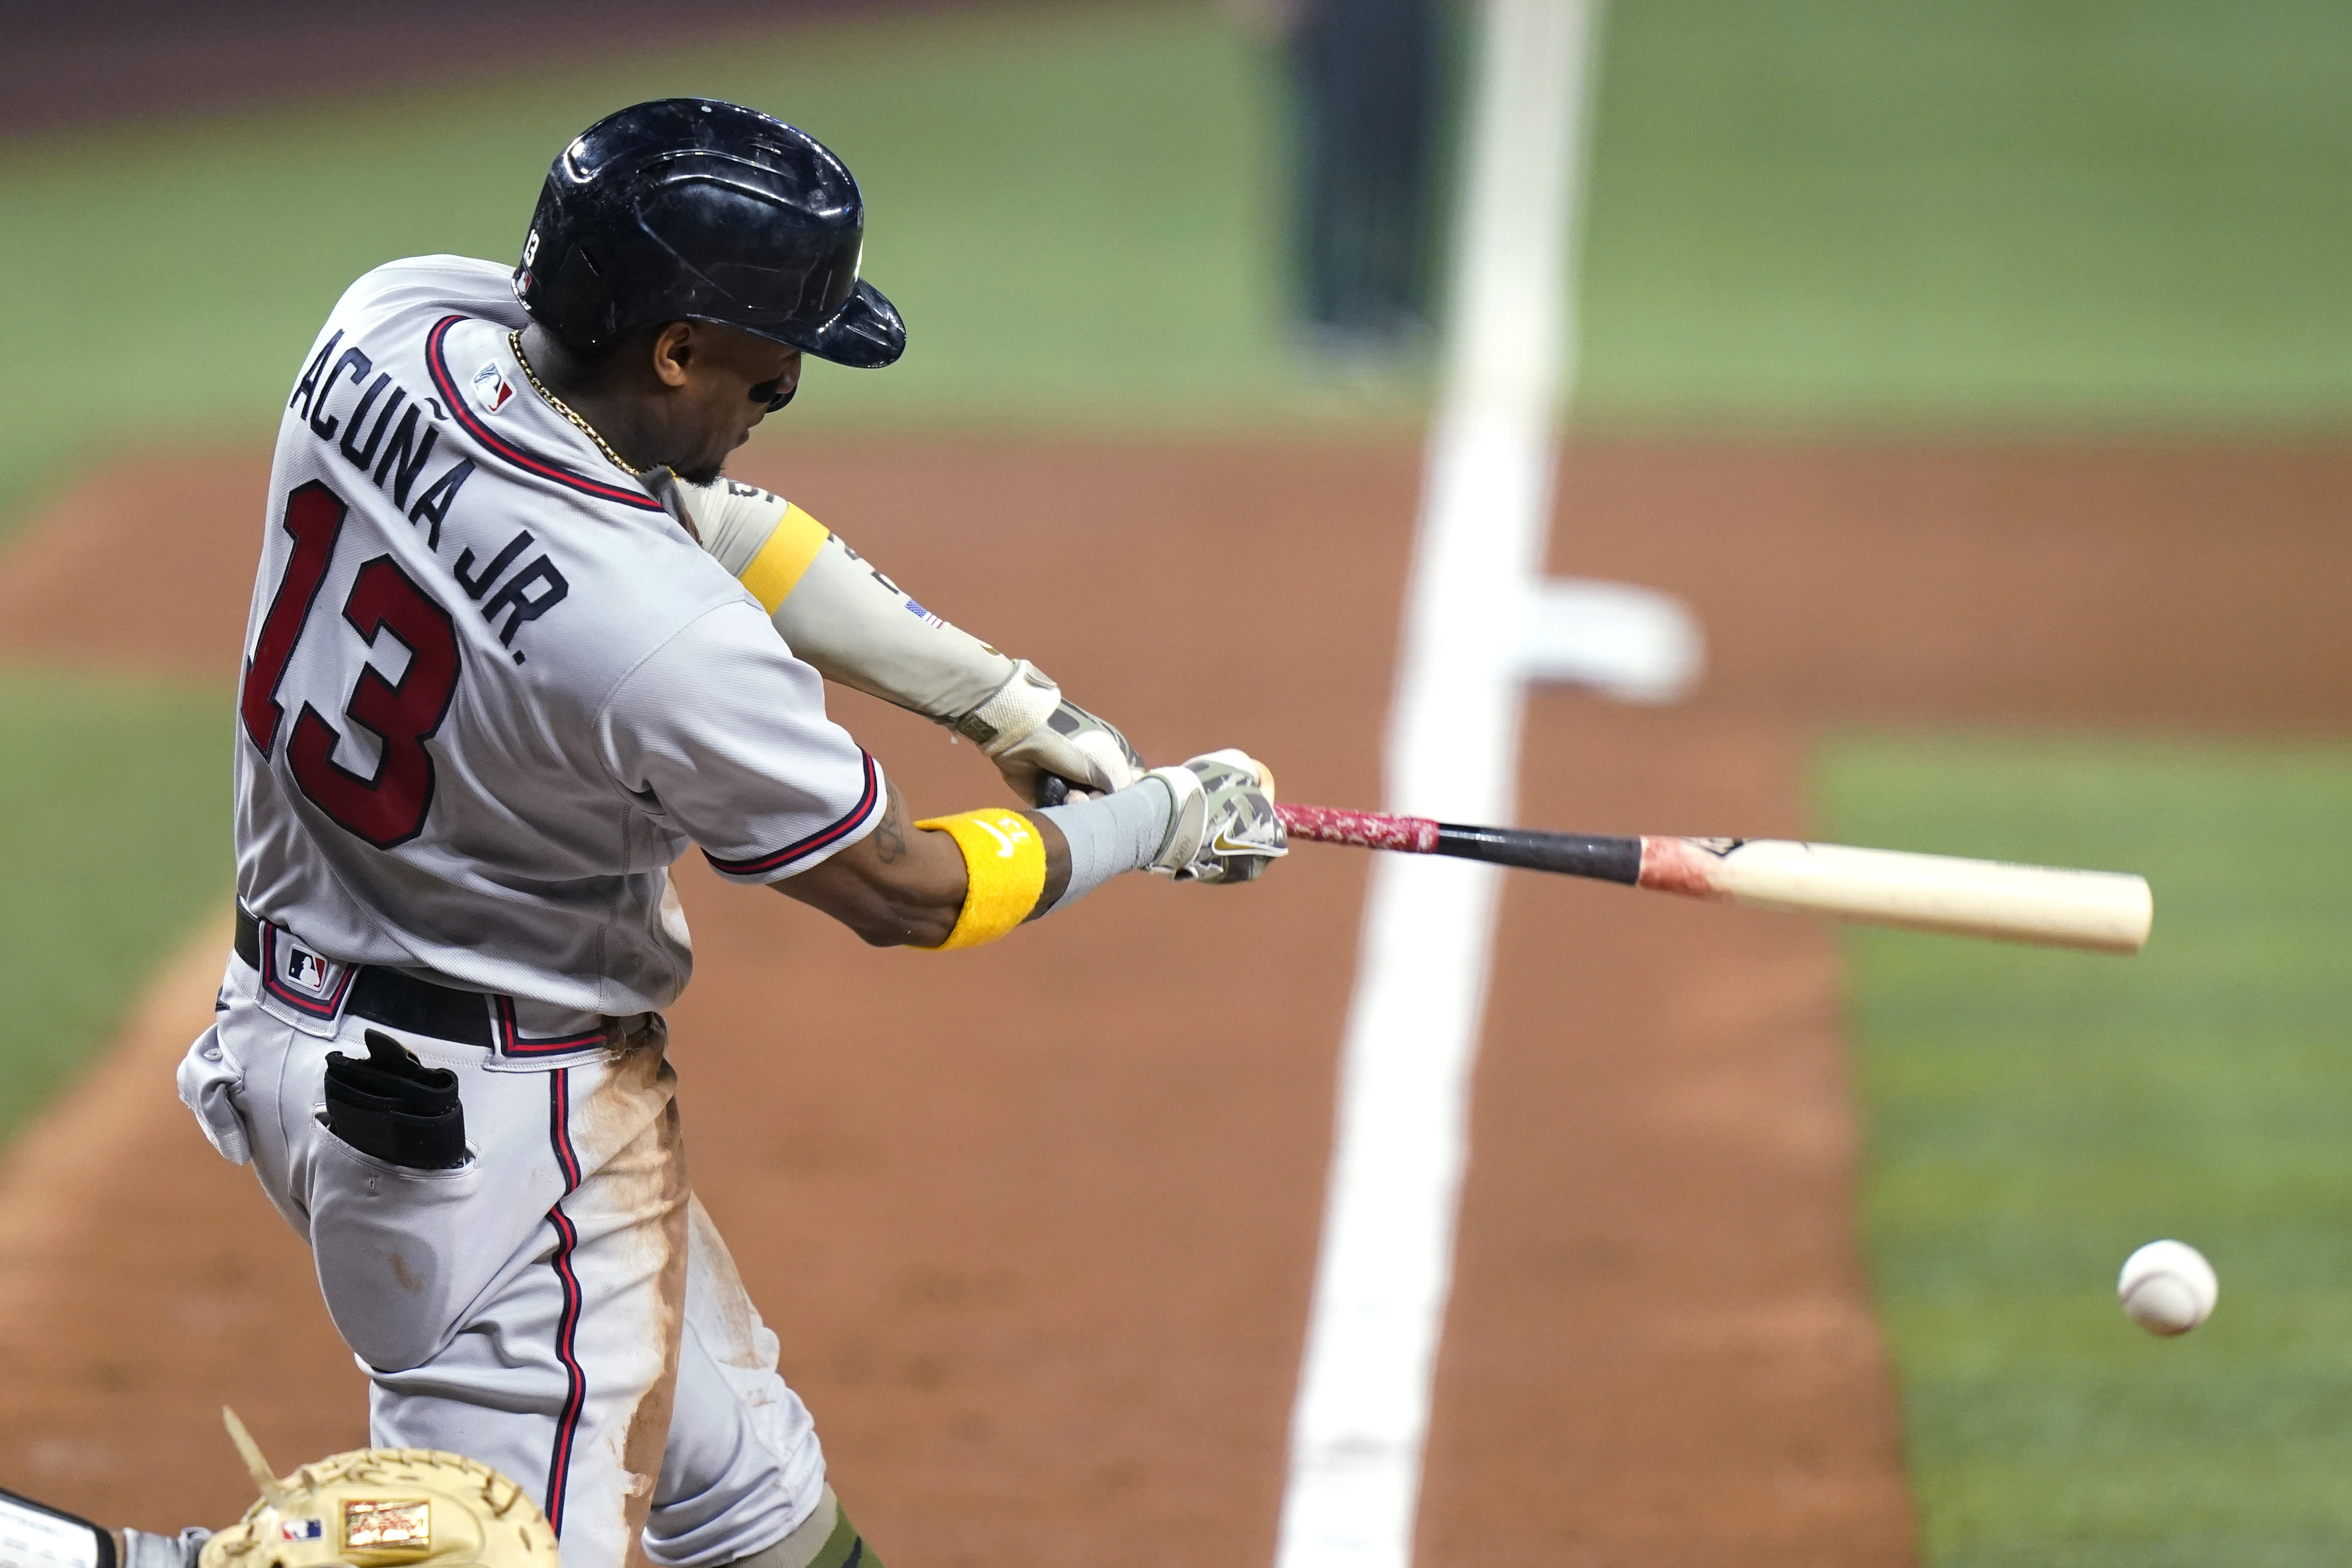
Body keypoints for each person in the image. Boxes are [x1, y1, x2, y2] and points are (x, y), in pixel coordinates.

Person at [177, 98, 1284, 1568]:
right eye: (774, 358)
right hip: (495, 1139)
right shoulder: (660, 638)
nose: (789, 388)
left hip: (308, 1019)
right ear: (678, 347)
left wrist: (997, 699)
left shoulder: (391, 328)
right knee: (474, 1551)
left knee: (753, 1499)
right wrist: (1153, 819)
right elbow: (897, 887)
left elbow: (694, 504)